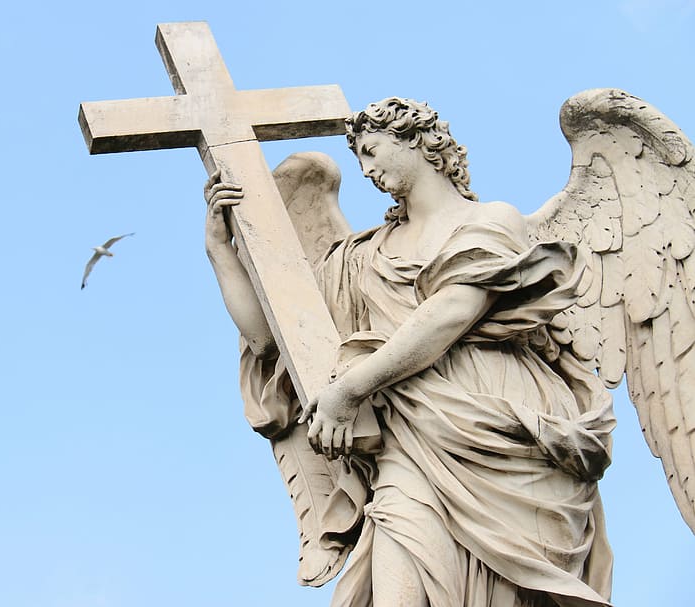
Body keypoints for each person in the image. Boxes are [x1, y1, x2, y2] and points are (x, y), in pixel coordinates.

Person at [204, 97, 616, 607]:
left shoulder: (492, 220)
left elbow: (452, 310)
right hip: (410, 438)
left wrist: (350, 389)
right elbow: (271, 339)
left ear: (416, 141)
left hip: (505, 429)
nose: (367, 170)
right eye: (358, 160)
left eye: (373, 152)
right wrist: (221, 253)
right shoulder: (360, 257)